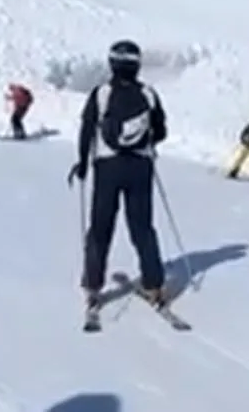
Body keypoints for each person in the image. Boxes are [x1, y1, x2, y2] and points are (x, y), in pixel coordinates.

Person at [67, 40, 169, 311]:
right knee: (142, 228)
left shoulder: (101, 94)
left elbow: (87, 130)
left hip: (107, 167)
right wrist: (141, 142)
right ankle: (155, 286)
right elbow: (161, 132)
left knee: (100, 228)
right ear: (137, 64)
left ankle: (93, 286)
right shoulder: (148, 94)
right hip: (140, 168)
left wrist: (82, 163)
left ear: (112, 63)